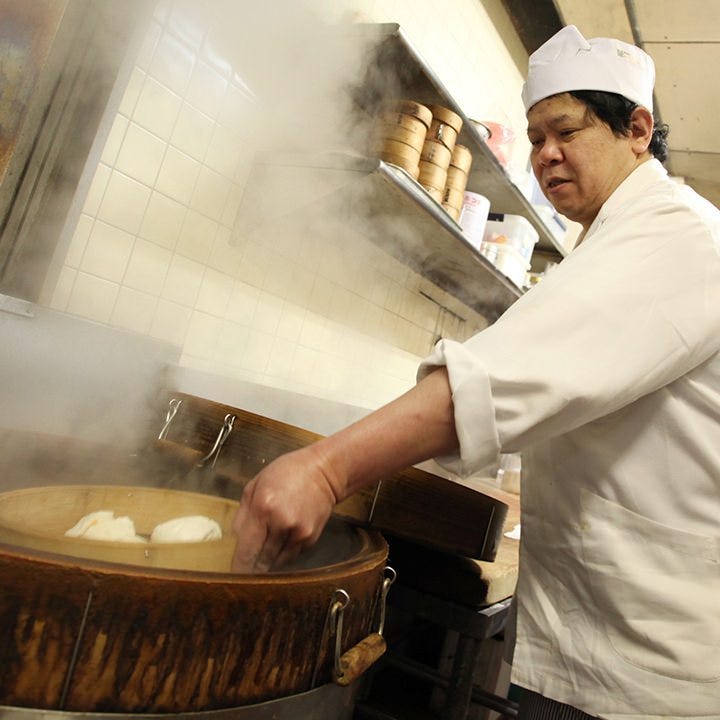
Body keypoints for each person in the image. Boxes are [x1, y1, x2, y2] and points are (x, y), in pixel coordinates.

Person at [232, 24, 720, 720]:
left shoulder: (674, 233)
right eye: (536, 137)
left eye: (567, 131)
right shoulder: (613, 240)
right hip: (613, 645)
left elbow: (500, 377)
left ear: (637, 129)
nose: (546, 154)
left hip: (647, 676)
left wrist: (323, 470)